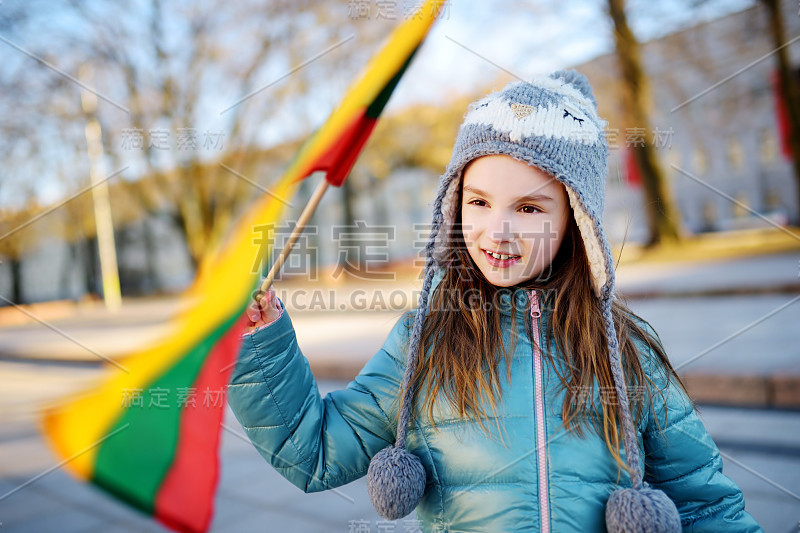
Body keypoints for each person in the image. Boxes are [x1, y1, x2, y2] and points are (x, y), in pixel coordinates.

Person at [227, 70, 762, 532]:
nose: (496, 231)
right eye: (478, 202)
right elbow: (314, 452)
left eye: (530, 209)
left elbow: (704, 503)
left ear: (577, 221)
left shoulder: (623, 349)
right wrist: (264, 345)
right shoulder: (427, 340)